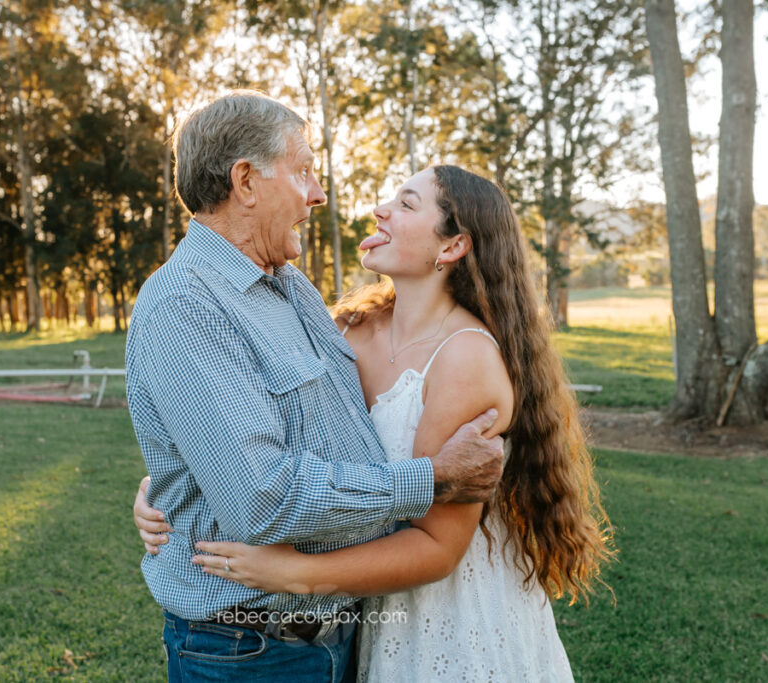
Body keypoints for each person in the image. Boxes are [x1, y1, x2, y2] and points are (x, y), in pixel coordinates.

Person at [137, 165, 613, 680]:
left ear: (452, 247)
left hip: (441, 617)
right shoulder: (346, 329)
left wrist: (298, 574)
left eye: (407, 204)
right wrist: (172, 490)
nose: (380, 209)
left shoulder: (464, 359)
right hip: (360, 611)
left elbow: (437, 548)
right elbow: (258, 431)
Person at [125, 92, 506, 683]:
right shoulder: (185, 306)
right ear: (245, 181)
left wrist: (175, 483)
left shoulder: (293, 288)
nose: (319, 195)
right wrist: (432, 478)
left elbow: (307, 434)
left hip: (344, 633)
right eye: (304, 172)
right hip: (248, 650)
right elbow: (258, 499)